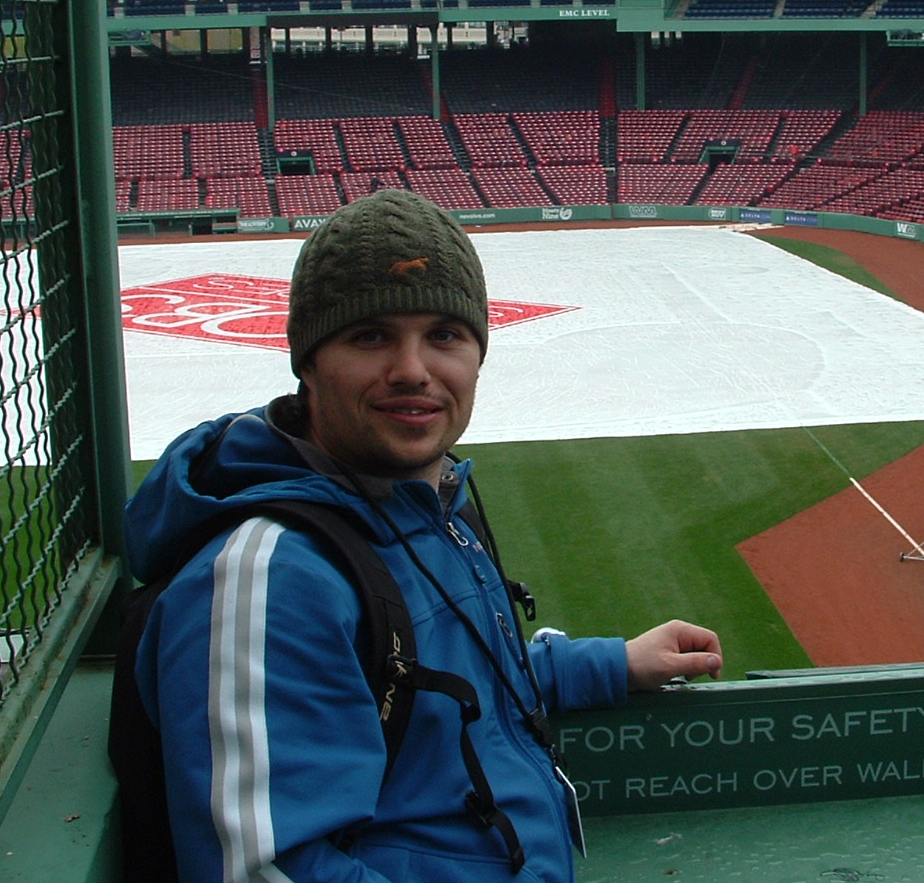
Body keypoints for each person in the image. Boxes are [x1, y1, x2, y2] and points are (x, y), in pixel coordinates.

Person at [123, 188, 722, 883]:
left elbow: (444, 675)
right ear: (308, 362)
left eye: (444, 335)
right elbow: (267, 870)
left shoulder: (428, 504)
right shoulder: (271, 577)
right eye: (371, 335)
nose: (413, 370)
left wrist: (606, 665)